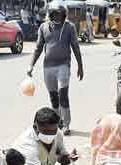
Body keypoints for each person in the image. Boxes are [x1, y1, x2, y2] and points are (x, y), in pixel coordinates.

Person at [27, 1, 84, 136]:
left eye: (60, 14)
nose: (58, 17)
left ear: (64, 15)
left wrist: (80, 66)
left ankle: (66, 123)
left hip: (64, 65)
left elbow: (75, 47)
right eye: (55, 14)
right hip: (48, 67)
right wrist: (31, 65)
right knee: (53, 96)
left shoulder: (69, 27)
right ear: (51, 14)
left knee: (63, 93)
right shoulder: (43, 27)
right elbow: (38, 48)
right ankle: (57, 123)